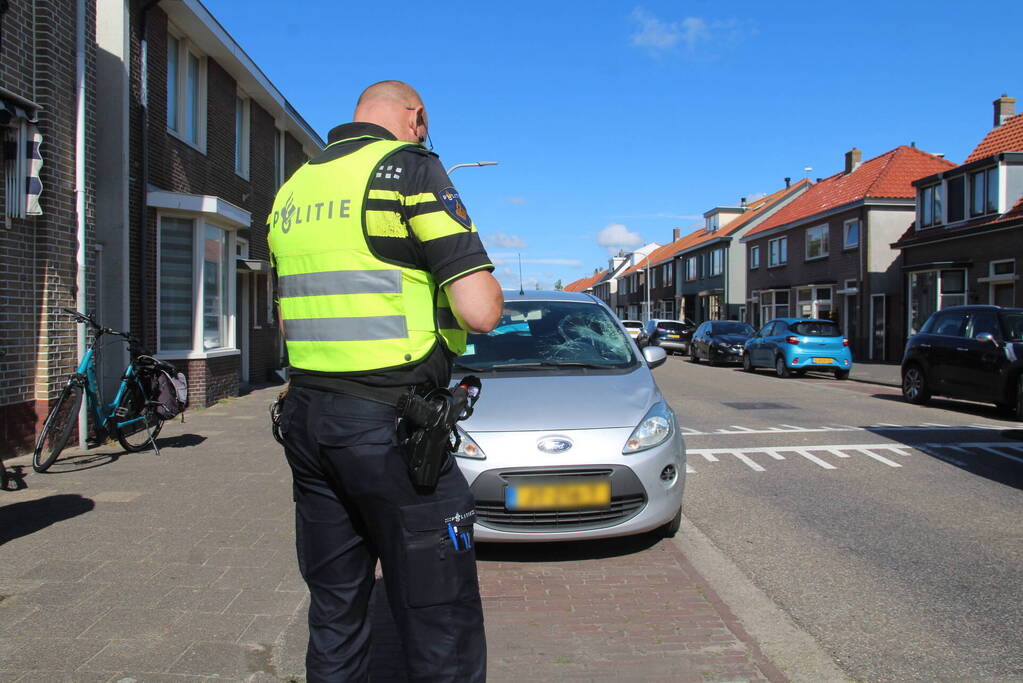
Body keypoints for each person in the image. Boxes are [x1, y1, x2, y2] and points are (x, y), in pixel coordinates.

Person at [268, 80, 503, 682]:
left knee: (335, 609)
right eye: (426, 125)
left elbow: (286, 313)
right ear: (415, 118)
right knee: (439, 614)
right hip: (392, 427)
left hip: (308, 419)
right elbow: (481, 310)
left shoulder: (294, 189)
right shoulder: (409, 170)